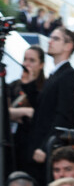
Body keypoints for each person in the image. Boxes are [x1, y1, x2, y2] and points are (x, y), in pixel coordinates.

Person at [21, 26, 74, 186]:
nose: (50, 41)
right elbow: (42, 110)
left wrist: (44, 148)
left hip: (49, 153)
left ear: (68, 46)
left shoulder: (68, 76)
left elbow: (63, 118)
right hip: (39, 149)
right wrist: (30, 85)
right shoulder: (56, 74)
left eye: (56, 39)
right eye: (51, 38)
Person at [8, 45, 46, 174]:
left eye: (32, 60)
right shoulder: (14, 86)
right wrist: (25, 112)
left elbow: (41, 115)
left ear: (41, 65)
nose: (26, 64)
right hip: (12, 144)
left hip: (33, 148)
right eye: (25, 59)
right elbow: (4, 112)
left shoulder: (45, 87)